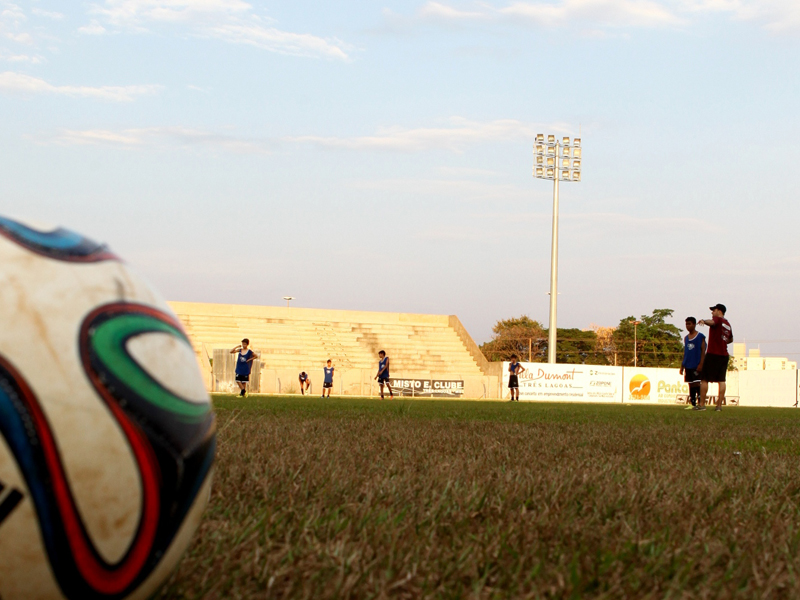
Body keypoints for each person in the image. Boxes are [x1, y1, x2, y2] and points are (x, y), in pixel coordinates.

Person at [695, 303, 733, 412]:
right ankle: (719, 406)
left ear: (719, 311)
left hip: (713, 354)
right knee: (721, 380)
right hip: (724, 355)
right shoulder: (728, 324)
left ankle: (702, 405)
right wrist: (722, 341)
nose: (712, 313)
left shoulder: (718, 320)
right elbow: (730, 339)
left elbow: (712, 322)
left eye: (714, 310)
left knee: (704, 379)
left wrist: (703, 321)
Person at [679, 317, 706, 409]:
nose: (687, 326)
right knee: (690, 383)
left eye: (689, 324)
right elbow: (686, 352)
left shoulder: (700, 336)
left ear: (694, 324)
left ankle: (700, 403)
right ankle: (692, 403)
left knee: (697, 383)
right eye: (686, 324)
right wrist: (682, 365)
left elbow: (703, 351)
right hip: (688, 365)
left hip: (696, 364)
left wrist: (701, 364)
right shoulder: (686, 338)